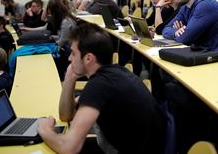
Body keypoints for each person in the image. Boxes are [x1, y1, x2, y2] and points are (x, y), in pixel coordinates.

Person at [37, 23, 166, 154]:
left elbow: (69, 148)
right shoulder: (114, 73)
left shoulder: (99, 85)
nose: (69, 58)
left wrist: (45, 130)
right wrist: (70, 78)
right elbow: (67, 115)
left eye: (73, 54)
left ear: (88, 58)